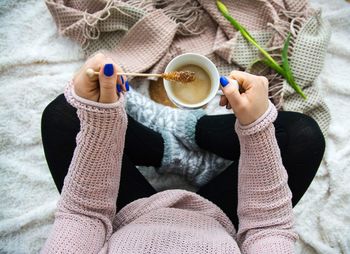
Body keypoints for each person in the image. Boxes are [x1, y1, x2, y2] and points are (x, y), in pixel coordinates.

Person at [40, 53, 325, 253]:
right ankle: (190, 132)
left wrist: (102, 121)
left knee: (65, 114)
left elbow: (84, 213)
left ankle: (168, 146)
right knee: (303, 137)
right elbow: (267, 228)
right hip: (220, 220)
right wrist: (256, 128)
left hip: (129, 214)